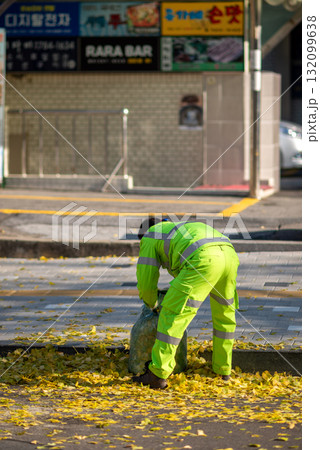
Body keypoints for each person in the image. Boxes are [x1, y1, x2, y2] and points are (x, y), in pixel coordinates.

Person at [132, 217, 239, 389]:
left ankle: (158, 374)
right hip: (229, 255)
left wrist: (152, 304)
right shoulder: (177, 229)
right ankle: (223, 369)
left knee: (172, 314)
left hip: (203, 259)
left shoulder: (150, 236)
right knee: (224, 315)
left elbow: (146, 281)